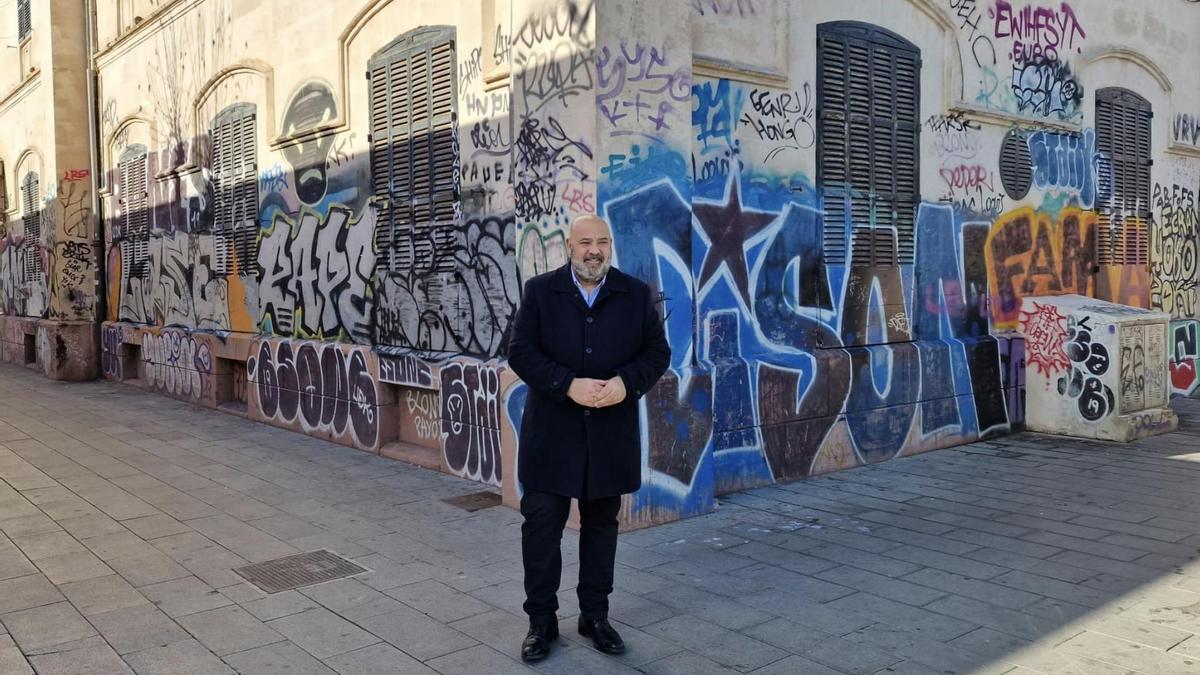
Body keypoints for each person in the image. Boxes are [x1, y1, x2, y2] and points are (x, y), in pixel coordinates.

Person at [506, 213, 671, 662]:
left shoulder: (635, 294)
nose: (594, 250)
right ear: (569, 247)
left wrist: (625, 383)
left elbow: (658, 353)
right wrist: (566, 383)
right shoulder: (540, 292)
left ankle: (594, 616)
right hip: (551, 439)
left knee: (601, 529)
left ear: (610, 247)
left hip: (609, 438)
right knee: (541, 529)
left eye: (602, 242)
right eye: (585, 242)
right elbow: (520, 352)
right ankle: (541, 623)